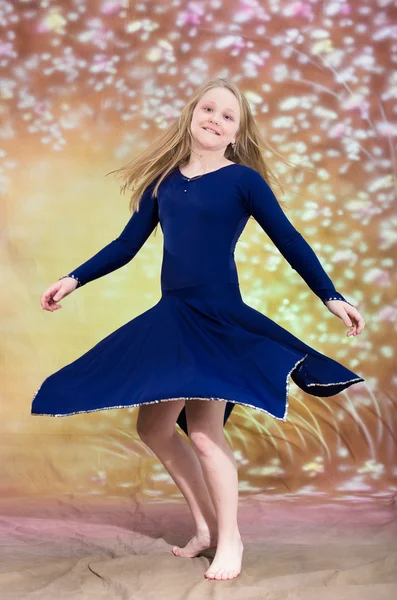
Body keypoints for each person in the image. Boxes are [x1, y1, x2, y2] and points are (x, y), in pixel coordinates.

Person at [32, 78, 366, 581]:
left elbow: (289, 240)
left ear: (236, 133)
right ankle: (207, 528)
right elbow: (126, 245)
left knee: (206, 433)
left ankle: (232, 538)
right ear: (191, 115)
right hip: (173, 318)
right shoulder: (162, 183)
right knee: (152, 427)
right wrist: (73, 277)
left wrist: (331, 296)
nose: (215, 118)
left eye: (228, 116)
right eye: (208, 108)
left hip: (216, 320)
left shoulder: (243, 181)